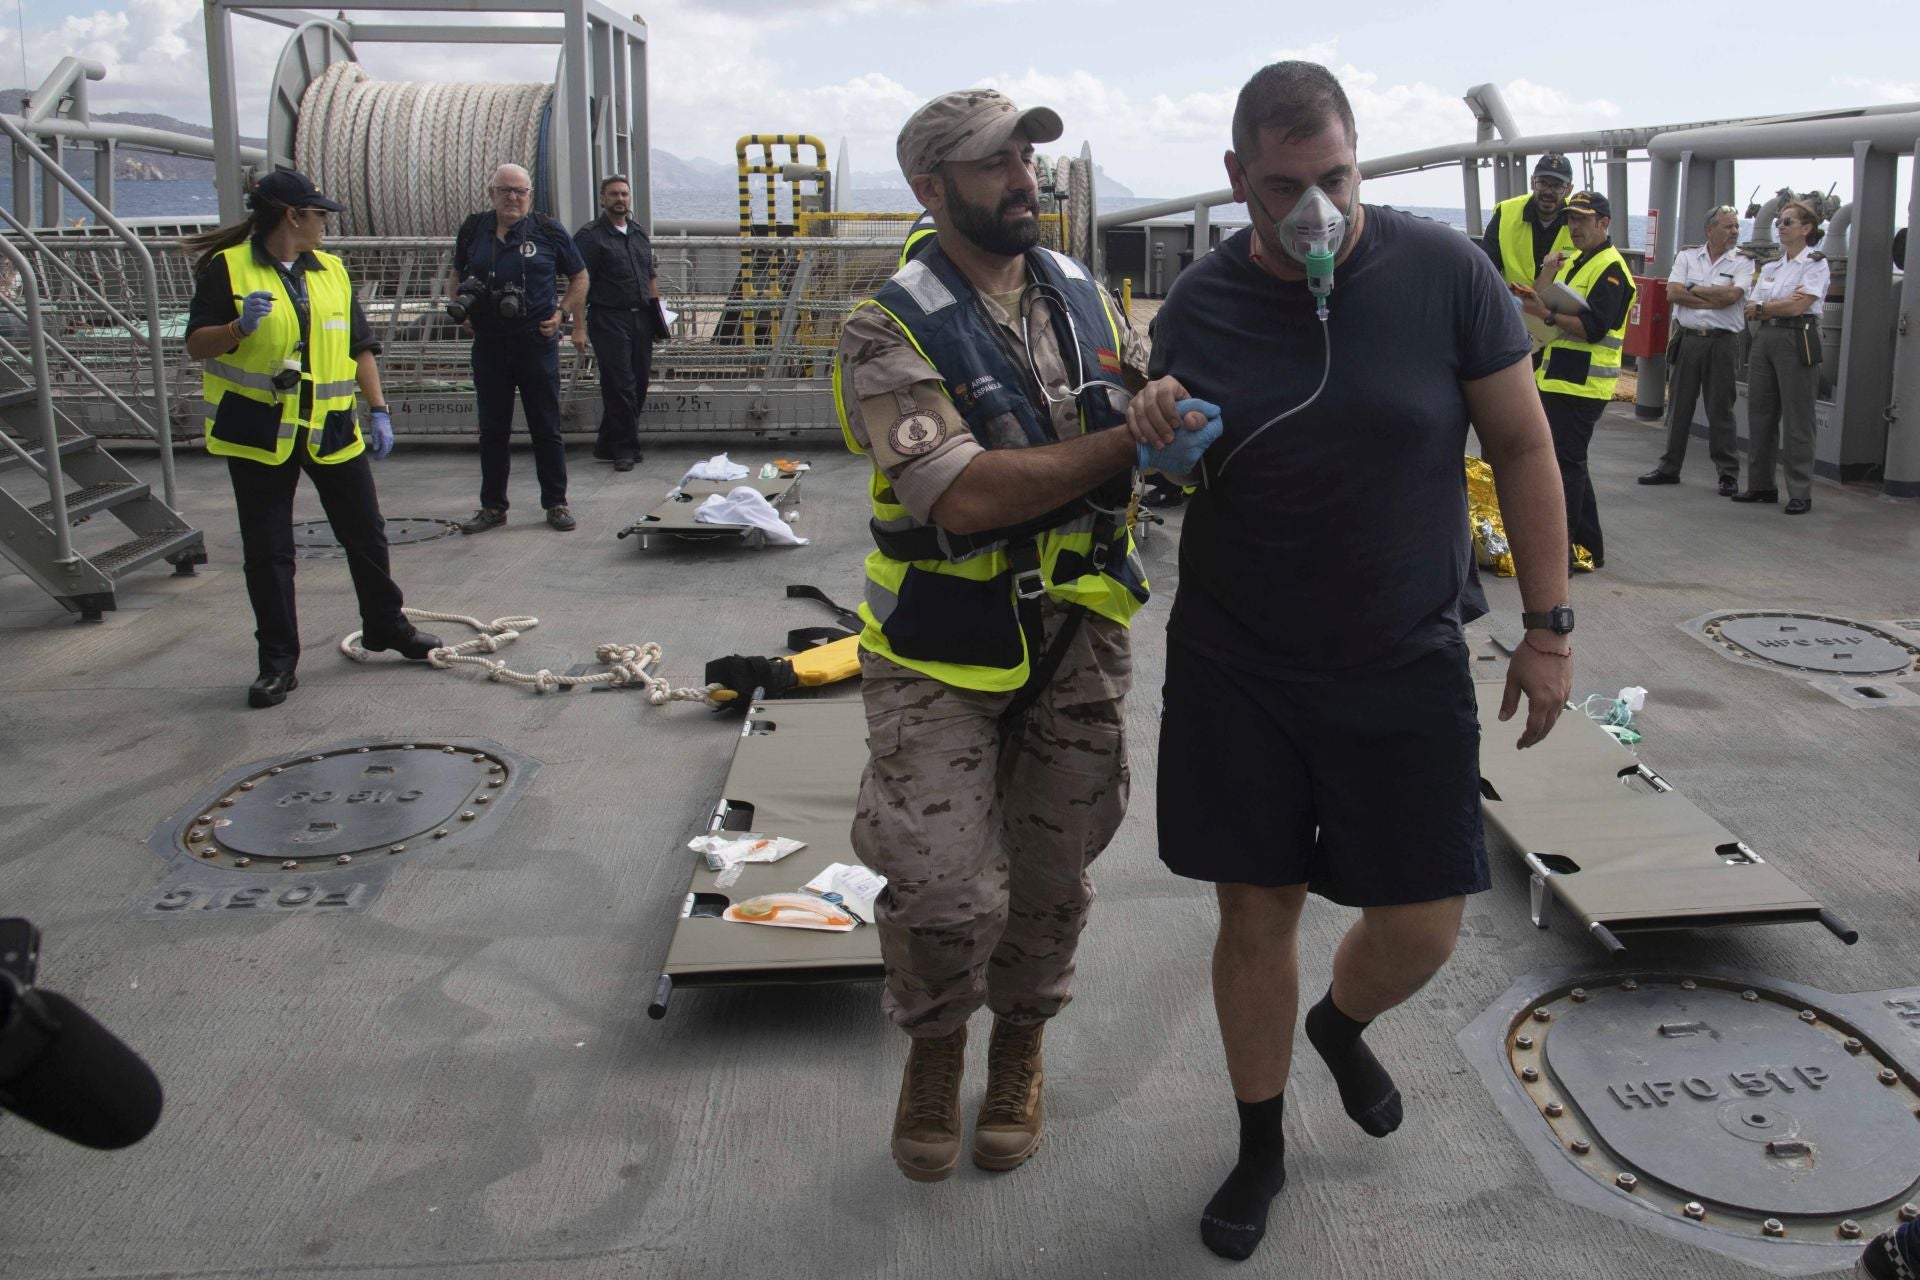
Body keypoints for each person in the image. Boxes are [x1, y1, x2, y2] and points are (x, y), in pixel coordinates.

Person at [1126, 61, 1573, 1262]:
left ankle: (1341, 1021)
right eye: (1283, 188)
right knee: (1254, 908)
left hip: (1402, 650)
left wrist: (1546, 626)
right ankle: (1259, 1141)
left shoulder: (1446, 274)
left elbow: (1524, 444)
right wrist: (1160, 437)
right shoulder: (1202, 303)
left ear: (1359, 155)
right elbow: (1174, 470)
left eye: (1335, 176)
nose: (1315, 209)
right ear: (1237, 180)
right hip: (1242, 657)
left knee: (1423, 921)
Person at [833, 88, 1194, 1185]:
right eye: (994, 163)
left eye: (1027, 158)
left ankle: (1020, 1046)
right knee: (942, 890)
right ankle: (938, 1047)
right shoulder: (885, 326)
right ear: (931, 186)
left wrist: (1168, 412)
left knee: (1053, 873)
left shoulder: (1084, 292)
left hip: (1075, 633)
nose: (1023, 178)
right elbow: (962, 494)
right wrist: (1127, 447)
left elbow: (1139, 395)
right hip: (939, 648)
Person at [183, 169, 439, 708]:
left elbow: (358, 347)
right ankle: (277, 662)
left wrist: (378, 409)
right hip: (259, 431)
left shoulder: (332, 271)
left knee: (366, 533)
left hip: (330, 427)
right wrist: (237, 328)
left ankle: (386, 626)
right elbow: (197, 345)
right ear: (292, 216)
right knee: (269, 552)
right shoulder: (227, 268)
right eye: (320, 214)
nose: (326, 223)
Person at [449, 164, 588, 533]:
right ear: (491, 193)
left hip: (535, 343)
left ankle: (556, 503)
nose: (512, 197)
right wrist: (459, 308)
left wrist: (562, 313)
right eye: (505, 190)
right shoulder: (473, 229)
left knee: (546, 427)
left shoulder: (548, 230)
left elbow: (579, 275)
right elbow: (456, 272)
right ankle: (493, 506)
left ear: (530, 195)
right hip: (489, 345)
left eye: (520, 191)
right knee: (492, 430)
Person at [1522, 190, 1635, 570]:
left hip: (1584, 383)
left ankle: (1563, 552)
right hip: (1559, 376)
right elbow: (1541, 299)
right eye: (1571, 219)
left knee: (1565, 466)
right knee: (1571, 462)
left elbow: (1593, 328)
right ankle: (1589, 545)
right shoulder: (1576, 262)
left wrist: (1548, 316)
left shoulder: (1612, 270)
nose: (1574, 227)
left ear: (1604, 223)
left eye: (1583, 220)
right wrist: (1548, 271)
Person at [1640, 205, 1747, 494]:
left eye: (1736, 226)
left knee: (1721, 409)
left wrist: (1694, 290)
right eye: (1728, 226)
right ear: (1709, 230)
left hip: (1722, 342)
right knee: (1679, 406)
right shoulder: (1687, 256)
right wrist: (1713, 299)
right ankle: (1669, 467)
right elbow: (1673, 293)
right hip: (1687, 339)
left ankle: (1728, 474)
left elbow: (1732, 296)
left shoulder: (1743, 262)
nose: (1734, 231)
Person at [1737, 197, 1829, 514]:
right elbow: (1752, 306)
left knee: (1798, 418)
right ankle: (1761, 485)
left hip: (1797, 336)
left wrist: (1766, 307)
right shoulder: (1772, 266)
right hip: (1766, 338)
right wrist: (1770, 308)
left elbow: (1797, 306)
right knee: (1760, 413)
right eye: (1778, 222)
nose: (1780, 226)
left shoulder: (1815, 264)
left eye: (1788, 222)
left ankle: (1800, 491)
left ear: (1807, 228)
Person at [571, 175, 661, 473]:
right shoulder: (590, 237)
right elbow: (578, 283)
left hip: (641, 317)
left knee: (640, 382)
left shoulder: (638, 233)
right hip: (608, 318)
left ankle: (606, 443)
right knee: (620, 385)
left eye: (624, 193)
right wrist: (578, 327)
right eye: (613, 194)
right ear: (602, 198)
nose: (620, 199)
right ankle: (625, 449)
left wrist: (657, 318)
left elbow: (649, 277)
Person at [1481, 153, 1576, 288]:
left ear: (1569, 190)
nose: (1548, 192)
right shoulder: (1505, 213)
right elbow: (1486, 269)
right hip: (1511, 298)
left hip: (1561, 301)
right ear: (1532, 182)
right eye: (1542, 183)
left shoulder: (1579, 219)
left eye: (1557, 186)